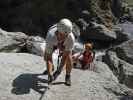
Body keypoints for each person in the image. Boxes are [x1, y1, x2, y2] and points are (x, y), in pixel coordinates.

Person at [43, 18, 75, 86]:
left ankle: (68, 76)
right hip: (53, 41)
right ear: (57, 32)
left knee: (69, 58)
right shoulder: (50, 36)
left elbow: (65, 57)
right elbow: (49, 57)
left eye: (65, 36)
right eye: (61, 35)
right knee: (46, 57)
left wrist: (58, 71)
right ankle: (51, 69)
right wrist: (50, 74)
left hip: (64, 44)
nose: (63, 37)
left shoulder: (70, 38)